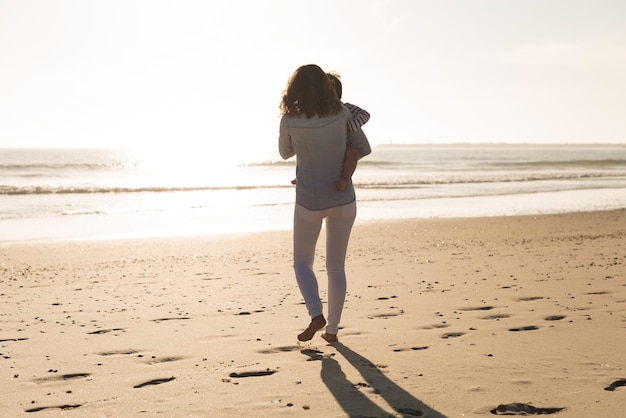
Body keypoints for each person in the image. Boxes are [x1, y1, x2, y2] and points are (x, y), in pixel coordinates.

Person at [278, 64, 371, 343]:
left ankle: (315, 313)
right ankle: (332, 330)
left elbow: (285, 153)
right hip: (343, 200)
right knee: (336, 267)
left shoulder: (289, 120)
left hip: (309, 202)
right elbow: (363, 148)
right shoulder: (342, 114)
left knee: (302, 263)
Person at [290, 72, 371, 192]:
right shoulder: (319, 114)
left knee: (352, 153)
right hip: (327, 146)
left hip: (345, 146)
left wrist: (351, 125)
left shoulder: (347, 108)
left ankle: (344, 179)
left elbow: (365, 114)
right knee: (309, 153)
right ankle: (301, 177)